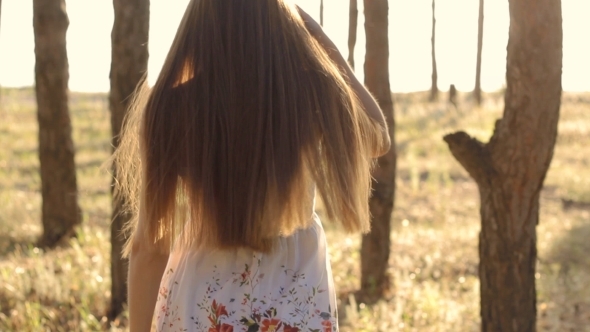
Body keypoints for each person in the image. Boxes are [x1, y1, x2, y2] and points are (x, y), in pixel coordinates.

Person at [113, 0, 390, 331]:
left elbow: (149, 247)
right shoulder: (311, 92)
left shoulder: (171, 107)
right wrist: (321, 40)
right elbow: (377, 139)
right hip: (293, 300)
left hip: (202, 303)